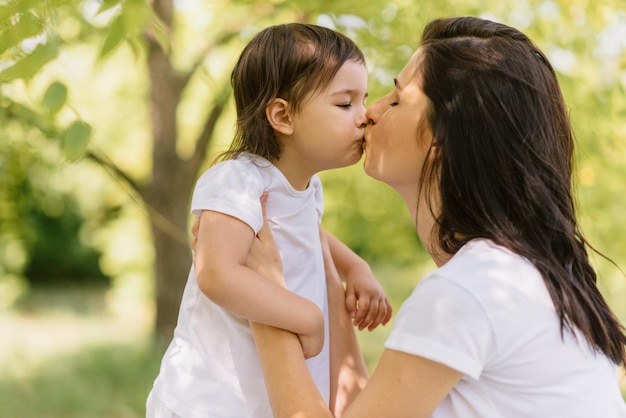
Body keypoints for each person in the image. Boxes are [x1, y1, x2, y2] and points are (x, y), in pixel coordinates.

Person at [246, 16, 626, 418]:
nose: (369, 112)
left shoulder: (468, 291)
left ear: (443, 138)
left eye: (395, 100)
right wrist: (320, 262)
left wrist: (266, 298)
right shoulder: (517, 274)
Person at [147, 23, 392, 417]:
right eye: (346, 104)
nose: (364, 117)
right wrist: (307, 317)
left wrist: (354, 267)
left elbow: (309, 236)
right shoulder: (237, 180)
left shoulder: (307, 188)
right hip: (209, 401)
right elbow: (216, 273)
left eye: (364, 101)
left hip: (265, 398)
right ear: (282, 115)